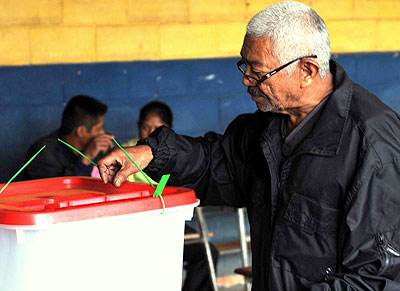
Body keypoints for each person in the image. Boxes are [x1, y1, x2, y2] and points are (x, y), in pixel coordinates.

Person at [98, 1, 400, 290]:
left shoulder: (372, 143)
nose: (246, 81)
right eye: (244, 66)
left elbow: (378, 277)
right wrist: (152, 152)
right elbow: (215, 163)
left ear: (306, 71)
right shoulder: (268, 125)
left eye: (258, 71)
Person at [124, 100, 219, 291]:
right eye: (145, 127)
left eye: (157, 129)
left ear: (168, 131)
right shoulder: (126, 152)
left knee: (207, 254)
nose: (150, 133)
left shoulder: (175, 156)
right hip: (133, 227)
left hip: (169, 224)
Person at [23, 95, 114, 180]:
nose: (102, 133)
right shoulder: (44, 151)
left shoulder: (96, 149)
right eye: (98, 129)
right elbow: (59, 193)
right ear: (81, 131)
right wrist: (86, 157)